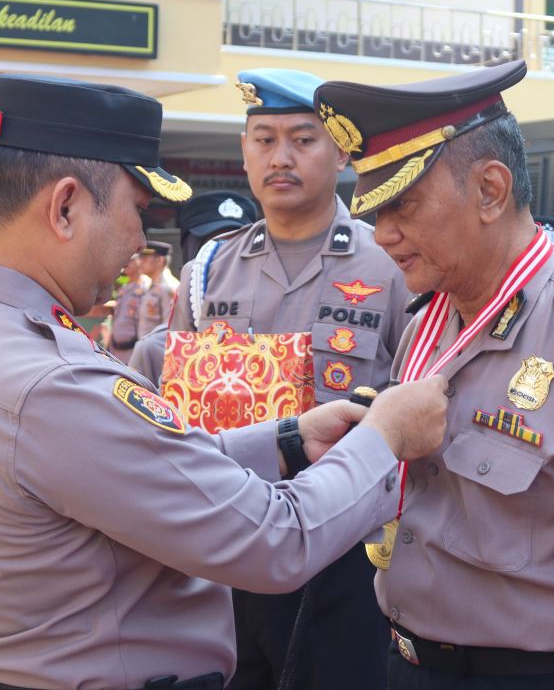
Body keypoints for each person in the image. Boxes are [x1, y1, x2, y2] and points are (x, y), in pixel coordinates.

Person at [0, 73, 450, 690]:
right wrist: (384, 438)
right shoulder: (50, 382)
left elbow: (121, 463)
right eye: (137, 210)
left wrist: (288, 440)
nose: (141, 241)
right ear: (64, 208)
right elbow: (276, 540)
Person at [315, 61, 554, 690]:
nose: (381, 234)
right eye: (373, 210)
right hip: (406, 661)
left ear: (491, 190)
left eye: (402, 204)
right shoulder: (431, 319)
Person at [169, 68, 412, 690]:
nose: (281, 157)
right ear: (244, 152)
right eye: (264, 139)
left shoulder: (388, 263)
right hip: (224, 535)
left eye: (303, 140)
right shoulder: (209, 270)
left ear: (341, 152)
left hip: (343, 546)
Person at [129, 190, 258, 386]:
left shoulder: (275, 338)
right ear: (189, 253)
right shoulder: (154, 350)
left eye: (237, 248)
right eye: (211, 247)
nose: (225, 261)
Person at [110, 253, 151, 363]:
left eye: (132, 260)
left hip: (134, 348)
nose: (127, 263)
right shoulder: (124, 288)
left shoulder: (147, 285)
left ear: (140, 261)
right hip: (117, 349)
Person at [138, 240, 177, 335]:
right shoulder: (151, 284)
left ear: (159, 260)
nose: (140, 261)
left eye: (145, 258)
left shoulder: (168, 287)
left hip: (158, 347)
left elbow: (169, 328)